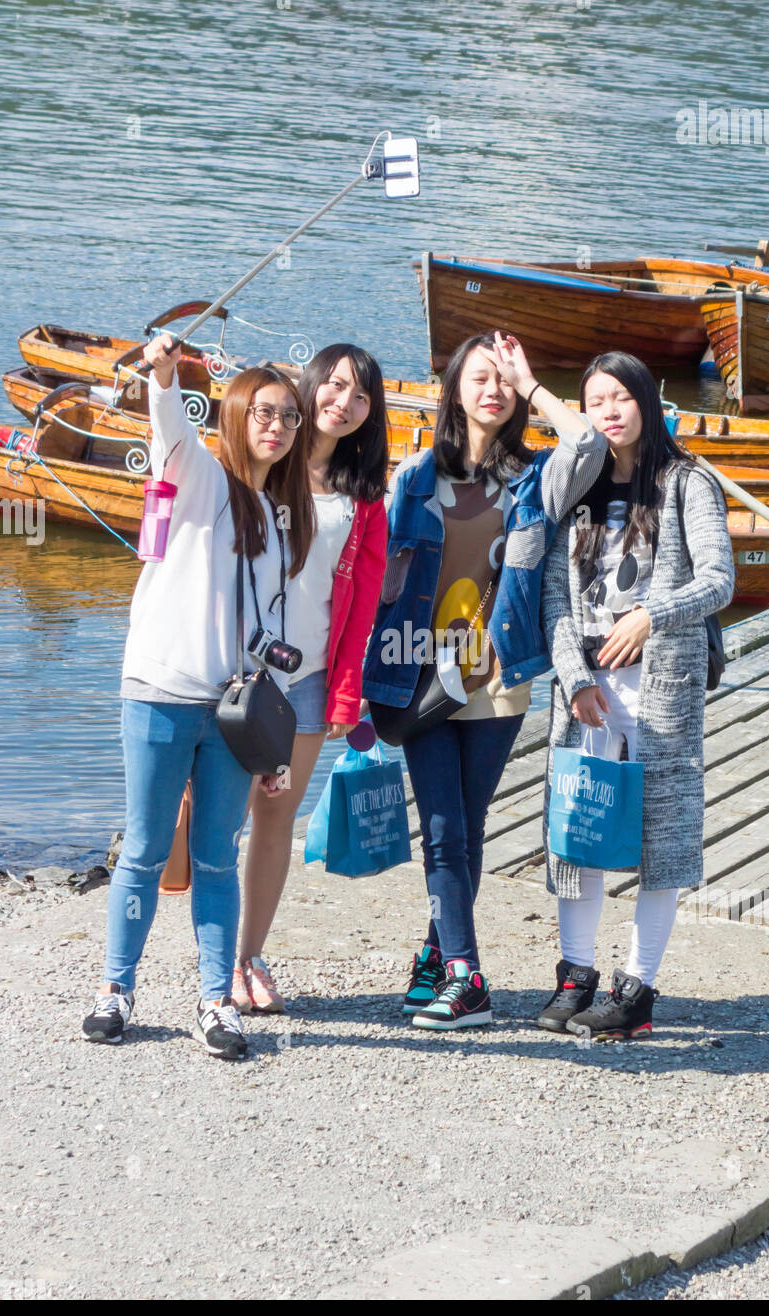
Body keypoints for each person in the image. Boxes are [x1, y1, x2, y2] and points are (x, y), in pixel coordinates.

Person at [362, 330, 607, 1030]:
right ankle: (467, 977)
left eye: (503, 380)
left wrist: (533, 381)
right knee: (440, 827)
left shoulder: (536, 479)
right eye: (481, 376)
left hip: (496, 678)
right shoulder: (412, 480)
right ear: (455, 390)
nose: (493, 388)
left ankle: (441, 959)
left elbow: (586, 442)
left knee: (466, 824)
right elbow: (372, 574)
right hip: (415, 672)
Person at [82, 334, 313, 1059]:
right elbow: (170, 429)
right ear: (236, 415)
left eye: (290, 417)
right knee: (146, 850)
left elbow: (265, 636)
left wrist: (270, 746)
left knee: (216, 856)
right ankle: (116, 990)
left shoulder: (276, 523)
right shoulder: (203, 478)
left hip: (231, 715)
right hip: (157, 692)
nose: (276, 426)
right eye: (264, 412)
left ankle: (217, 1001)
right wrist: (164, 373)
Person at [537, 350, 734, 1040]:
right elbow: (554, 598)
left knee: (662, 834)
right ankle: (577, 973)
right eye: (595, 401)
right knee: (579, 826)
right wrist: (573, 679)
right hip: (587, 689)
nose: (609, 411)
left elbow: (719, 580)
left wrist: (653, 615)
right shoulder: (577, 491)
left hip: (661, 686)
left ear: (648, 400)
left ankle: (637, 987)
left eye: (621, 396)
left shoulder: (688, 483)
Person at [234, 345, 388, 1014]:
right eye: (334, 385)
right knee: (217, 816)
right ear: (310, 384)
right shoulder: (262, 465)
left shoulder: (365, 500)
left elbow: (362, 611)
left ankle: (247, 959)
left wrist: (346, 695)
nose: (343, 403)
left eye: (360, 396)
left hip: (307, 680)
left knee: (275, 819)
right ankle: (212, 962)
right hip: (237, 673)